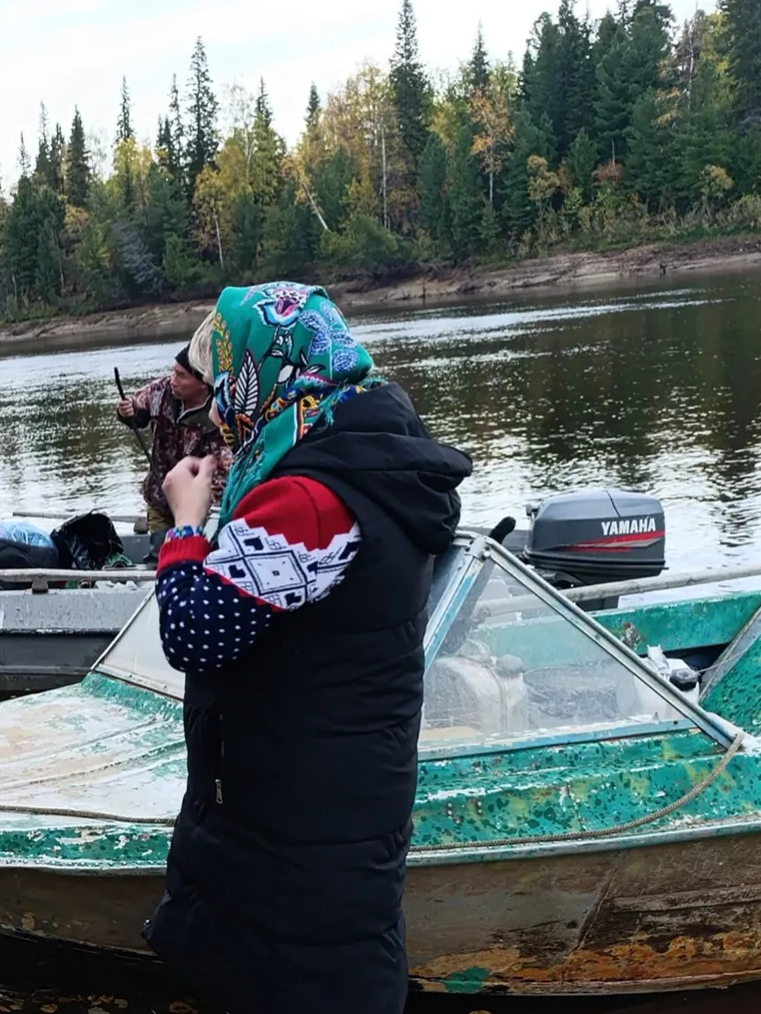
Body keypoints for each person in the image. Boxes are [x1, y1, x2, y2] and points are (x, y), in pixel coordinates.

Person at [143, 282, 472, 1014]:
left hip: (301, 834)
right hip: (325, 808)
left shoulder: (311, 499)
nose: (220, 405)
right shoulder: (360, 455)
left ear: (263, 368)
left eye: (227, 376)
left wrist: (186, 522)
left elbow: (192, 631)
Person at [115, 346, 229, 539]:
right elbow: (138, 405)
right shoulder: (162, 389)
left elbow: (221, 470)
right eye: (173, 372)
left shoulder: (219, 413)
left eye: (181, 375)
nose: (173, 380)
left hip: (198, 508)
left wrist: (203, 511)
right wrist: (128, 409)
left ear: (203, 382)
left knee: (192, 554)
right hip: (159, 499)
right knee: (159, 555)